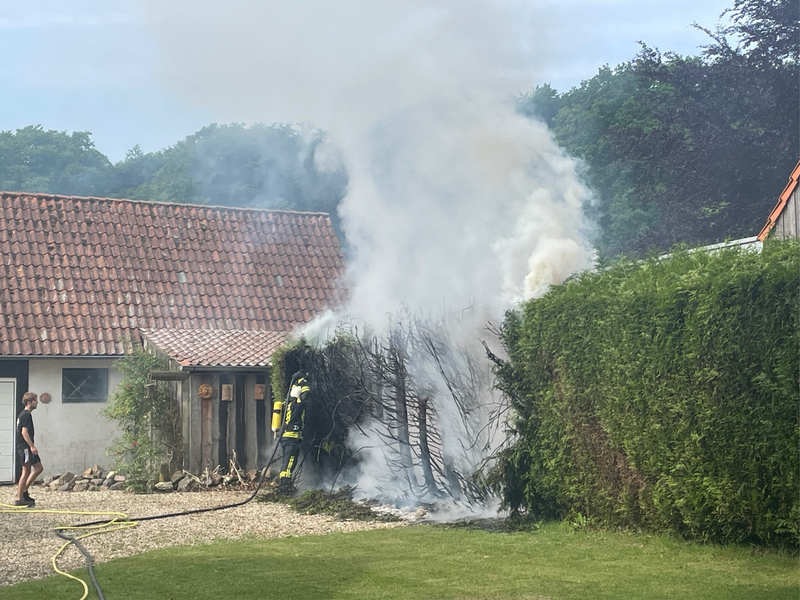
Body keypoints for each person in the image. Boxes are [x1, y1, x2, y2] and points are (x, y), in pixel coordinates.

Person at [274, 370, 311, 492]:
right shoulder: (296, 404)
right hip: (292, 438)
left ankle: (283, 485)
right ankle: (285, 486)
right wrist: (302, 381)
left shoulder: (286, 404)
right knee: (289, 463)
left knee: (286, 462)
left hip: (285, 437)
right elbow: (306, 394)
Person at [15, 392, 43, 507]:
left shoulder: (26, 415)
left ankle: (24, 491)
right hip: (25, 447)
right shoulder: (25, 415)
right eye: (35, 400)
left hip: (28, 447)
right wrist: (31, 446)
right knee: (25, 471)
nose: (37, 402)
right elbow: (24, 432)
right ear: (29, 402)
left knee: (39, 468)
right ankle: (19, 498)